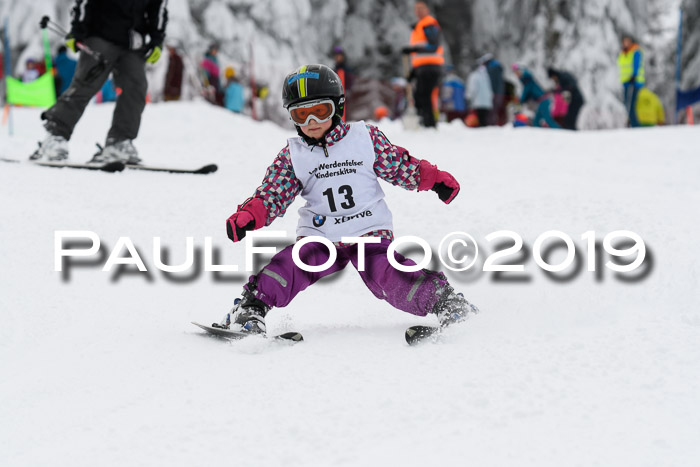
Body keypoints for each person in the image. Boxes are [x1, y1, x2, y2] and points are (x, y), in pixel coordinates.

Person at [217, 64, 478, 335]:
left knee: (387, 275)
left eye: (320, 111)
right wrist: (250, 215)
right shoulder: (293, 155)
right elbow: (273, 193)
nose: (311, 122)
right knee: (291, 265)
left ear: (338, 108)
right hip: (320, 235)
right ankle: (250, 308)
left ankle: (446, 302)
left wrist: (434, 179)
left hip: (369, 232)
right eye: (301, 114)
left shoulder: (364, 138)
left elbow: (400, 165)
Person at [30, 0, 167, 163]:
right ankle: (55, 136)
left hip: (133, 41)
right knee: (85, 85)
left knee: (136, 88)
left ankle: (119, 142)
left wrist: (157, 40)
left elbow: (159, 9)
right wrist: (78, 29)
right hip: (101, 34)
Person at [401, 1, 444, 128]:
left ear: (427, 10)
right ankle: (425, 121)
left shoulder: (428, 23)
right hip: (422, 68)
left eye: (421, 8)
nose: (418, 11)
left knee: (425, 94)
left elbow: (433, 45)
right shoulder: (419, 26)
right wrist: (413, 73)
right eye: (416, 9)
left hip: (431, 67)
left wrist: (413, 49)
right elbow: (420, 56)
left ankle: (429, 123)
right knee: (420, 94)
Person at [512, 64, 560, 129]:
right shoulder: (527, 81)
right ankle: (540, 136)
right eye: (515, 73)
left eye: (517, 72)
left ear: (521, 72)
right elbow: (527, 95)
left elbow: (525, 94)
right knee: (536, 122)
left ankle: (560, 131)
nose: (517, 75)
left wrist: (519, 103)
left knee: (548, 120)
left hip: (544, 101)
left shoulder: (528, 81)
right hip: (542, 102)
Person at [617, 34, 645, 128]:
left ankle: (635, 125)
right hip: (626, 82)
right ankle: (631, 123)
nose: (626, 43)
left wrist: (634, 76)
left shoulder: (635, 51)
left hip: (634, 82)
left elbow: (636, 64)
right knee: (626, 103)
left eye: (628, 41)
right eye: (624, 41)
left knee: (631, 104)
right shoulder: (623, 53)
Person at [466, 61, 494, 127]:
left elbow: (472, 88)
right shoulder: (486, 75)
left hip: (478, 101)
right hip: (486, 102)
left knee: (479, 119)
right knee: (484, 119)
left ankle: (480, 132)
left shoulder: (474, 76)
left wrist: (468, 97)